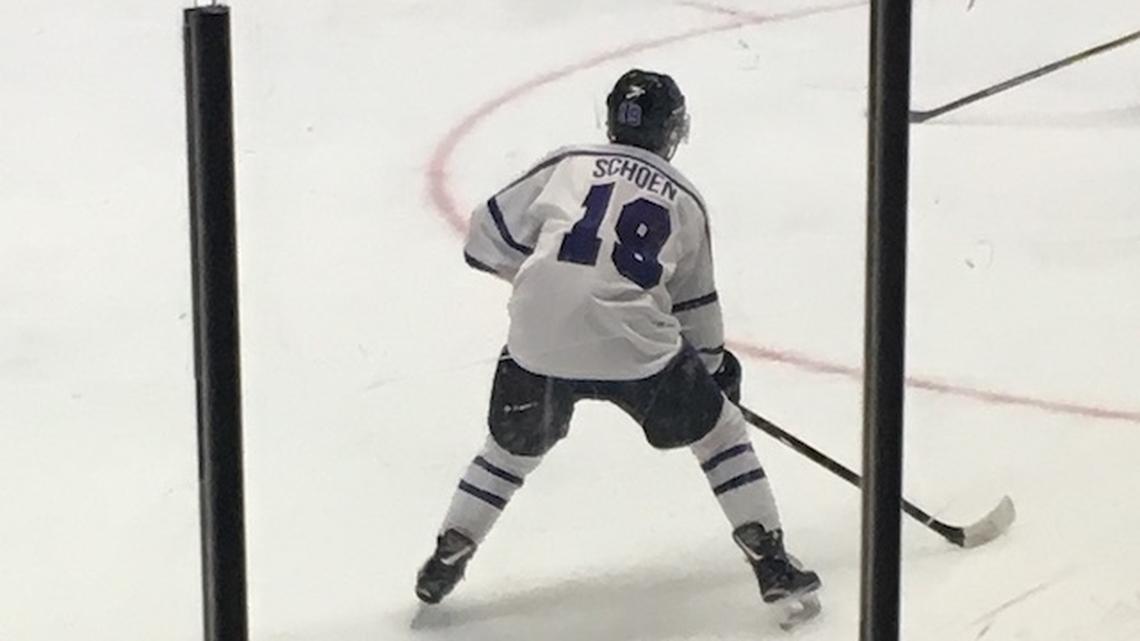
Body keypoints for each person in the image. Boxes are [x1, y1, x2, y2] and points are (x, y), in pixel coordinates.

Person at [415, 68, 821, 620]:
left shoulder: (569, 163)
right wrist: (710, 374)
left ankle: (449, 550)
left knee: (509, 451)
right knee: (721, 434)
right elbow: (696, 310)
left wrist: (550, 281)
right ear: (672, 129)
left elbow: (484, 236)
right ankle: (771, 560)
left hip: (540, 337)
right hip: (637, 347)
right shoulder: (685, 199)